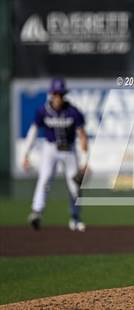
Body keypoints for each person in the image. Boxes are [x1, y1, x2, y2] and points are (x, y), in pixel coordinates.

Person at [23, 78, 89, 232]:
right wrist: (25, 154)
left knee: (75, 184)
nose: (58, 97)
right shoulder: (43, 110)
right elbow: (33, 132)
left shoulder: (73, 112)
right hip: (50, 149)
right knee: (44, 179)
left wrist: (85, 161)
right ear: (51, 94)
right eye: (55, 93)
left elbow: (83, 136)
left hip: (69, 150)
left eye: (61, 94)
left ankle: (75, 218)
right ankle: (36, 213)